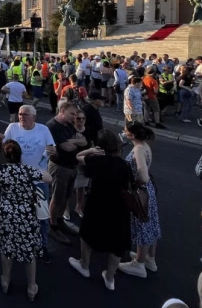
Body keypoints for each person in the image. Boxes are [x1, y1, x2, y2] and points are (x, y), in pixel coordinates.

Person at [69, 131, 132, 291]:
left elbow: (78, 157)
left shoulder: (96, 161)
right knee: (117, 242)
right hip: (119, 207)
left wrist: (90, 150)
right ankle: (110, 278)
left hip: (98, 203)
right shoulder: (123, 165)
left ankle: (84, 265)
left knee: (87, 234)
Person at [0, 139, 52, 300]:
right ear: (20, 155)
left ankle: (5, 280)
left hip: (7, 212)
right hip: (26, 213)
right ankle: (31, 287)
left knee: (7, 247)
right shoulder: (27, 170)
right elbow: (48, 178)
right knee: (29, 251)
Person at [0, 104, 56, 262]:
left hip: (38, 180)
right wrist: (0, 141)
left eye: (25, 114)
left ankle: (43, 245)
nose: (21, 116)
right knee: (18, 213)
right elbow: (5, 148)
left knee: (42, 215)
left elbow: (52, 148)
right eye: (20, 114)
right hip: (18, 181)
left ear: (34, 117)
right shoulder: (12, 127)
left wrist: (51, 153)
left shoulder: (43, 130)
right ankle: (15, 242)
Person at [118, 122, 161, 279]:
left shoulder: (138, 149)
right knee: (150, 224)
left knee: (142, 225)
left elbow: (143, 175)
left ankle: (139, 263)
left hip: (141, 191)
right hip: (148, 190)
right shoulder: (145, 145)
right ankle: (150, 258)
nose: (123, 132)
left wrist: (134, 185)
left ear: (132, 135)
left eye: (126, 131)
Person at [46, 102, 86, 244]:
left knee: (66, 197)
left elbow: (83, 140)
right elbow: (68, 148)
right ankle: (52, 226)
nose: (75, 118)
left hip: (71, 167)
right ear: (62, 111)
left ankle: (59, 221)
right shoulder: (52, 126)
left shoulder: (68, 125)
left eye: (76, 115)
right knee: (57, 198)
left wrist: (71, 141)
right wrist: (74, 141)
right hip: (60, 167)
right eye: (72, 114)